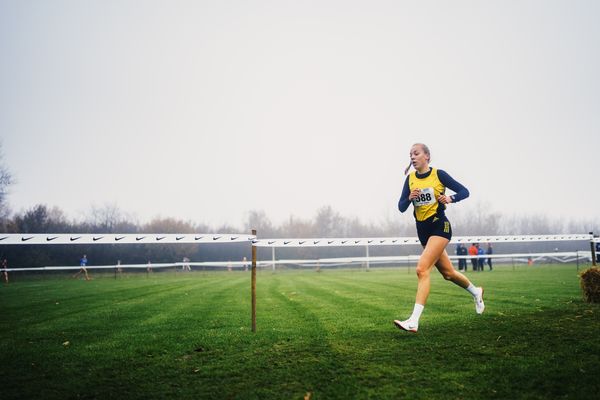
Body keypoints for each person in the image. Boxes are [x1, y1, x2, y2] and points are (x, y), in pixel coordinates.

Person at [394, 143, 484, 333]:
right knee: (448, 273)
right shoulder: (410, 179)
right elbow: (401, 207)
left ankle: (413, 321)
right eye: (410, 154)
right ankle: (476, 292)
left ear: (427, 156)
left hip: (439, 226)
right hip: (423, 231)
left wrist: (450, 199)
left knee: (421, 269)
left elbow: (464, 191)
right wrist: (409, 197)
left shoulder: (438, 174)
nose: (412, 157)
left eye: (416, 153)